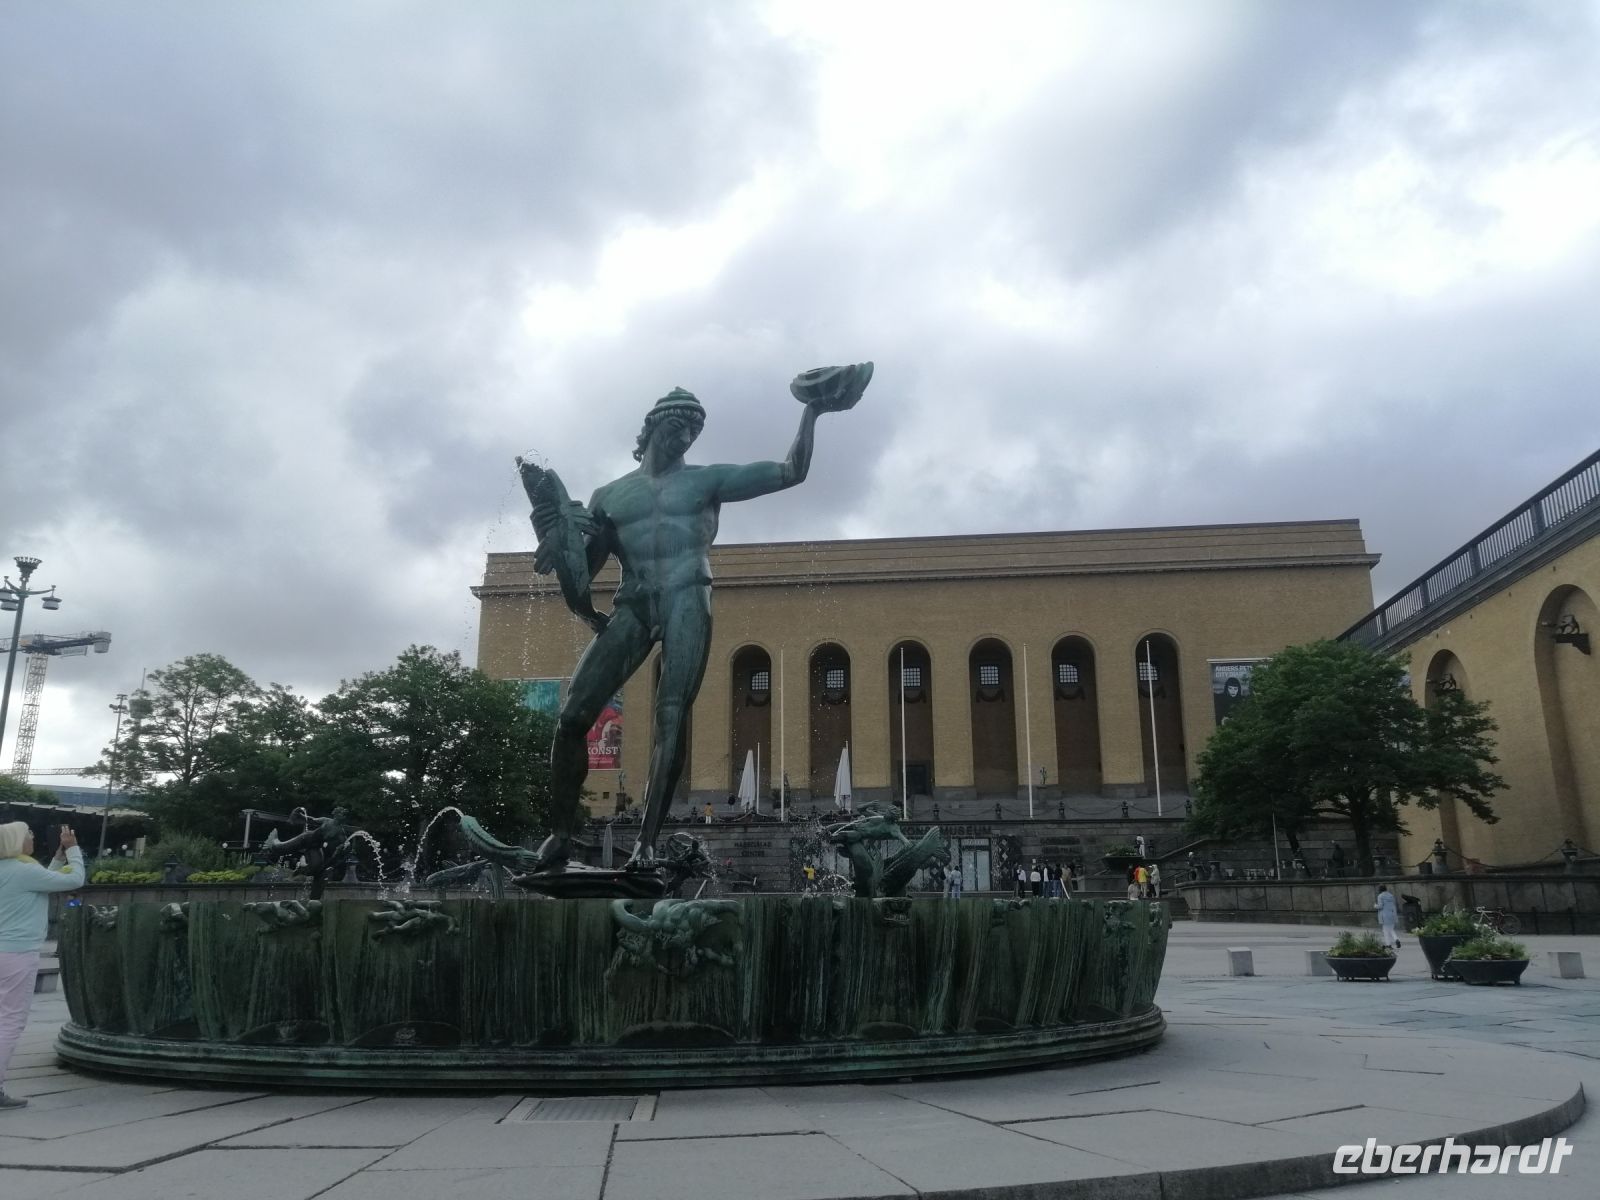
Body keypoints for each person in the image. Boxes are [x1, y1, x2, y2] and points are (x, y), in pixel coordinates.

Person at [521, 372, 868, 871]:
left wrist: (811, 412)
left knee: (671, 714)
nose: (685, 437)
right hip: (633, 604)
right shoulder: (608, 496)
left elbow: (791, 471)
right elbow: (584, 572)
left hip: (688, 595)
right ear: (652, 427)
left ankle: (645, 844)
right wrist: (561, 544)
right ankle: (559, 835)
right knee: (573, 717)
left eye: (694, 430)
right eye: (677, 426)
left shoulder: (707, 481)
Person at [1, 823, 85, 1110]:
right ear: (15, 841)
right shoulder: (24, 871)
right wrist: (73, 850)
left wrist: (58, 858)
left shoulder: (14, 869)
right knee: (10, 1021)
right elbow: (74, 880)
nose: (32, 838)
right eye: (29, 834)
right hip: (17, 952)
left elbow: (44, 880)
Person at [1375, 884, 1400, 950]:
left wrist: (1375, 906)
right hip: (1392, 915)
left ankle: (1388, 945)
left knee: (1385, 931)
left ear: (1380, 890)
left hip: (1385, 916)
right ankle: (1396, 939)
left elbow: (1380, 906)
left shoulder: (1380, 896)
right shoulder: (1391, 895)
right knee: (1391, 929)